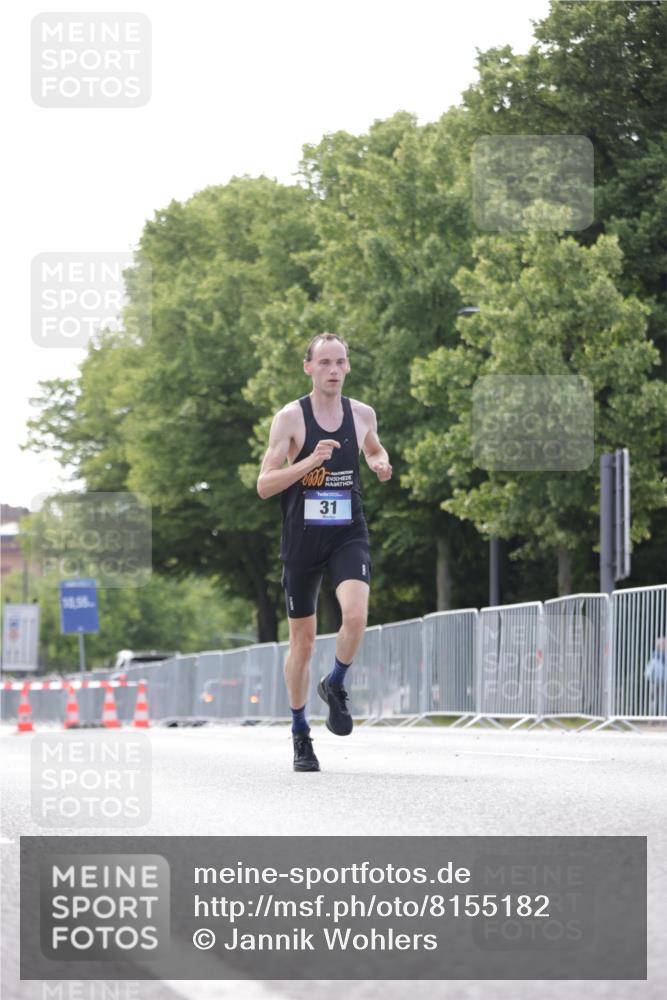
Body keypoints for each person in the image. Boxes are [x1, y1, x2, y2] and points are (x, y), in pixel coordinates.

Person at [256, 333, 392, 771]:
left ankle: (335, 683)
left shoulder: (362, 414)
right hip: (302, 538)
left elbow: (374, 448)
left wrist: (379, 463)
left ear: (348, 366)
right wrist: (311, 462)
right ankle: (300, 733)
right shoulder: (290, 418)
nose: (333, 370)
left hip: (347, 532)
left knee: (355, 614)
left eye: (340, 362)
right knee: (303, 641)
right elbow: (265, 485)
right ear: (308, 367)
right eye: (325, 362)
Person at [645, 636, 666, 719]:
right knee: (662, 700)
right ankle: (662, 718)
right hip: (662, 679)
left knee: (653, 699)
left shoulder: (654, 655)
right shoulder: (663, 655)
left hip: (654, 680)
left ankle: (652, 718)